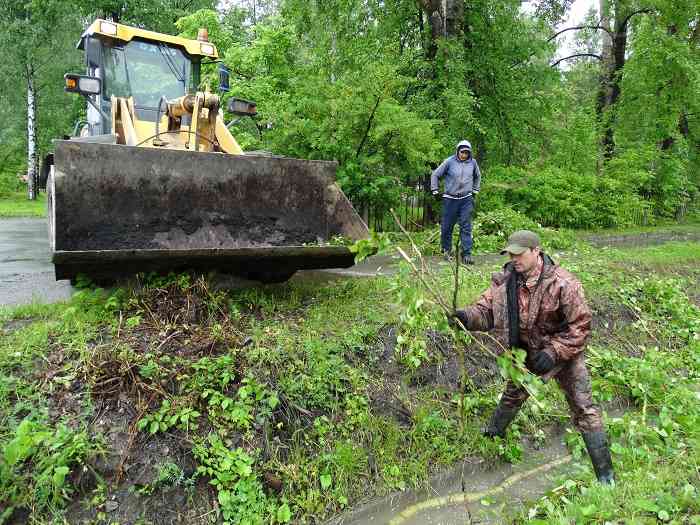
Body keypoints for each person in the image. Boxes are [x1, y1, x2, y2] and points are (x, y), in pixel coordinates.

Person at [450, 230, 614, 484]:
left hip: (563, 356)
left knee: (584, 408)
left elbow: (580, 326)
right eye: (510, 254)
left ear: (536, 251)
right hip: (525, 354)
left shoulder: (563, 283)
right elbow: (485, 312)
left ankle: (606, 476)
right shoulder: (504, 283)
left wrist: (555, 351)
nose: (514, 259)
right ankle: (492, 437)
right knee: (513, 394)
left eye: (519, 253)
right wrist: (465, 317)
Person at [430, 140, 481, 265]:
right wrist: (435, 191)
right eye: (462, 152)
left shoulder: (473, 163)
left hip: (466, 199)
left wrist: (475, 190)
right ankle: (447, 251)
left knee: (466, 226)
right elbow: (435, 175)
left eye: (467, 153)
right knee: (447, 226)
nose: (464, 155)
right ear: (458, 151)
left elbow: (478, 176)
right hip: (450, 199)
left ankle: (466, 254)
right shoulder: (449, 161)